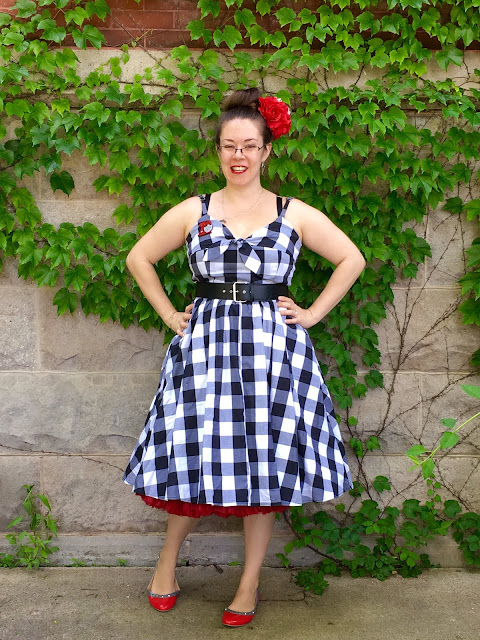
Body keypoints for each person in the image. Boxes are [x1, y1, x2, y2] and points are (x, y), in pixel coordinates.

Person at [122, 87, 366, 627]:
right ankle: (166, 566)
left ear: (265, 151)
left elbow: (351, 258)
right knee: (192, 456)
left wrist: (312, 313)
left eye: (249, 146)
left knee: (264, 464)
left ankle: (249, 583)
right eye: (229, 146)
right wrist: (170, 314)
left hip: (272, 356)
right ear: (218, 151)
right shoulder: (195, 210)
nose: (239, 155)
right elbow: (139, 257)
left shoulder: (292, 213)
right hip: (205, 351)